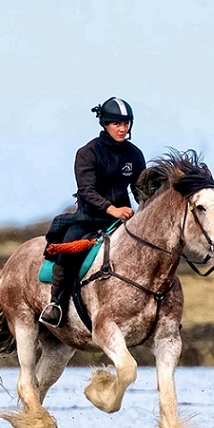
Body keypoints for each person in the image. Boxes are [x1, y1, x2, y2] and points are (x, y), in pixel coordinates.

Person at [40, 97, 145, 328]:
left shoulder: (134, 154)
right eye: (117, 123)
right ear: (105, 125)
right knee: (68, 247)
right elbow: (86, 191)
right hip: (89, 218)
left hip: (123, 218)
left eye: (126, 123)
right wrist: (112, 209)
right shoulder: (87, 153)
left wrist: (145, 209)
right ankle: (56, 303)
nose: (123, 128)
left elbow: (140, 190)